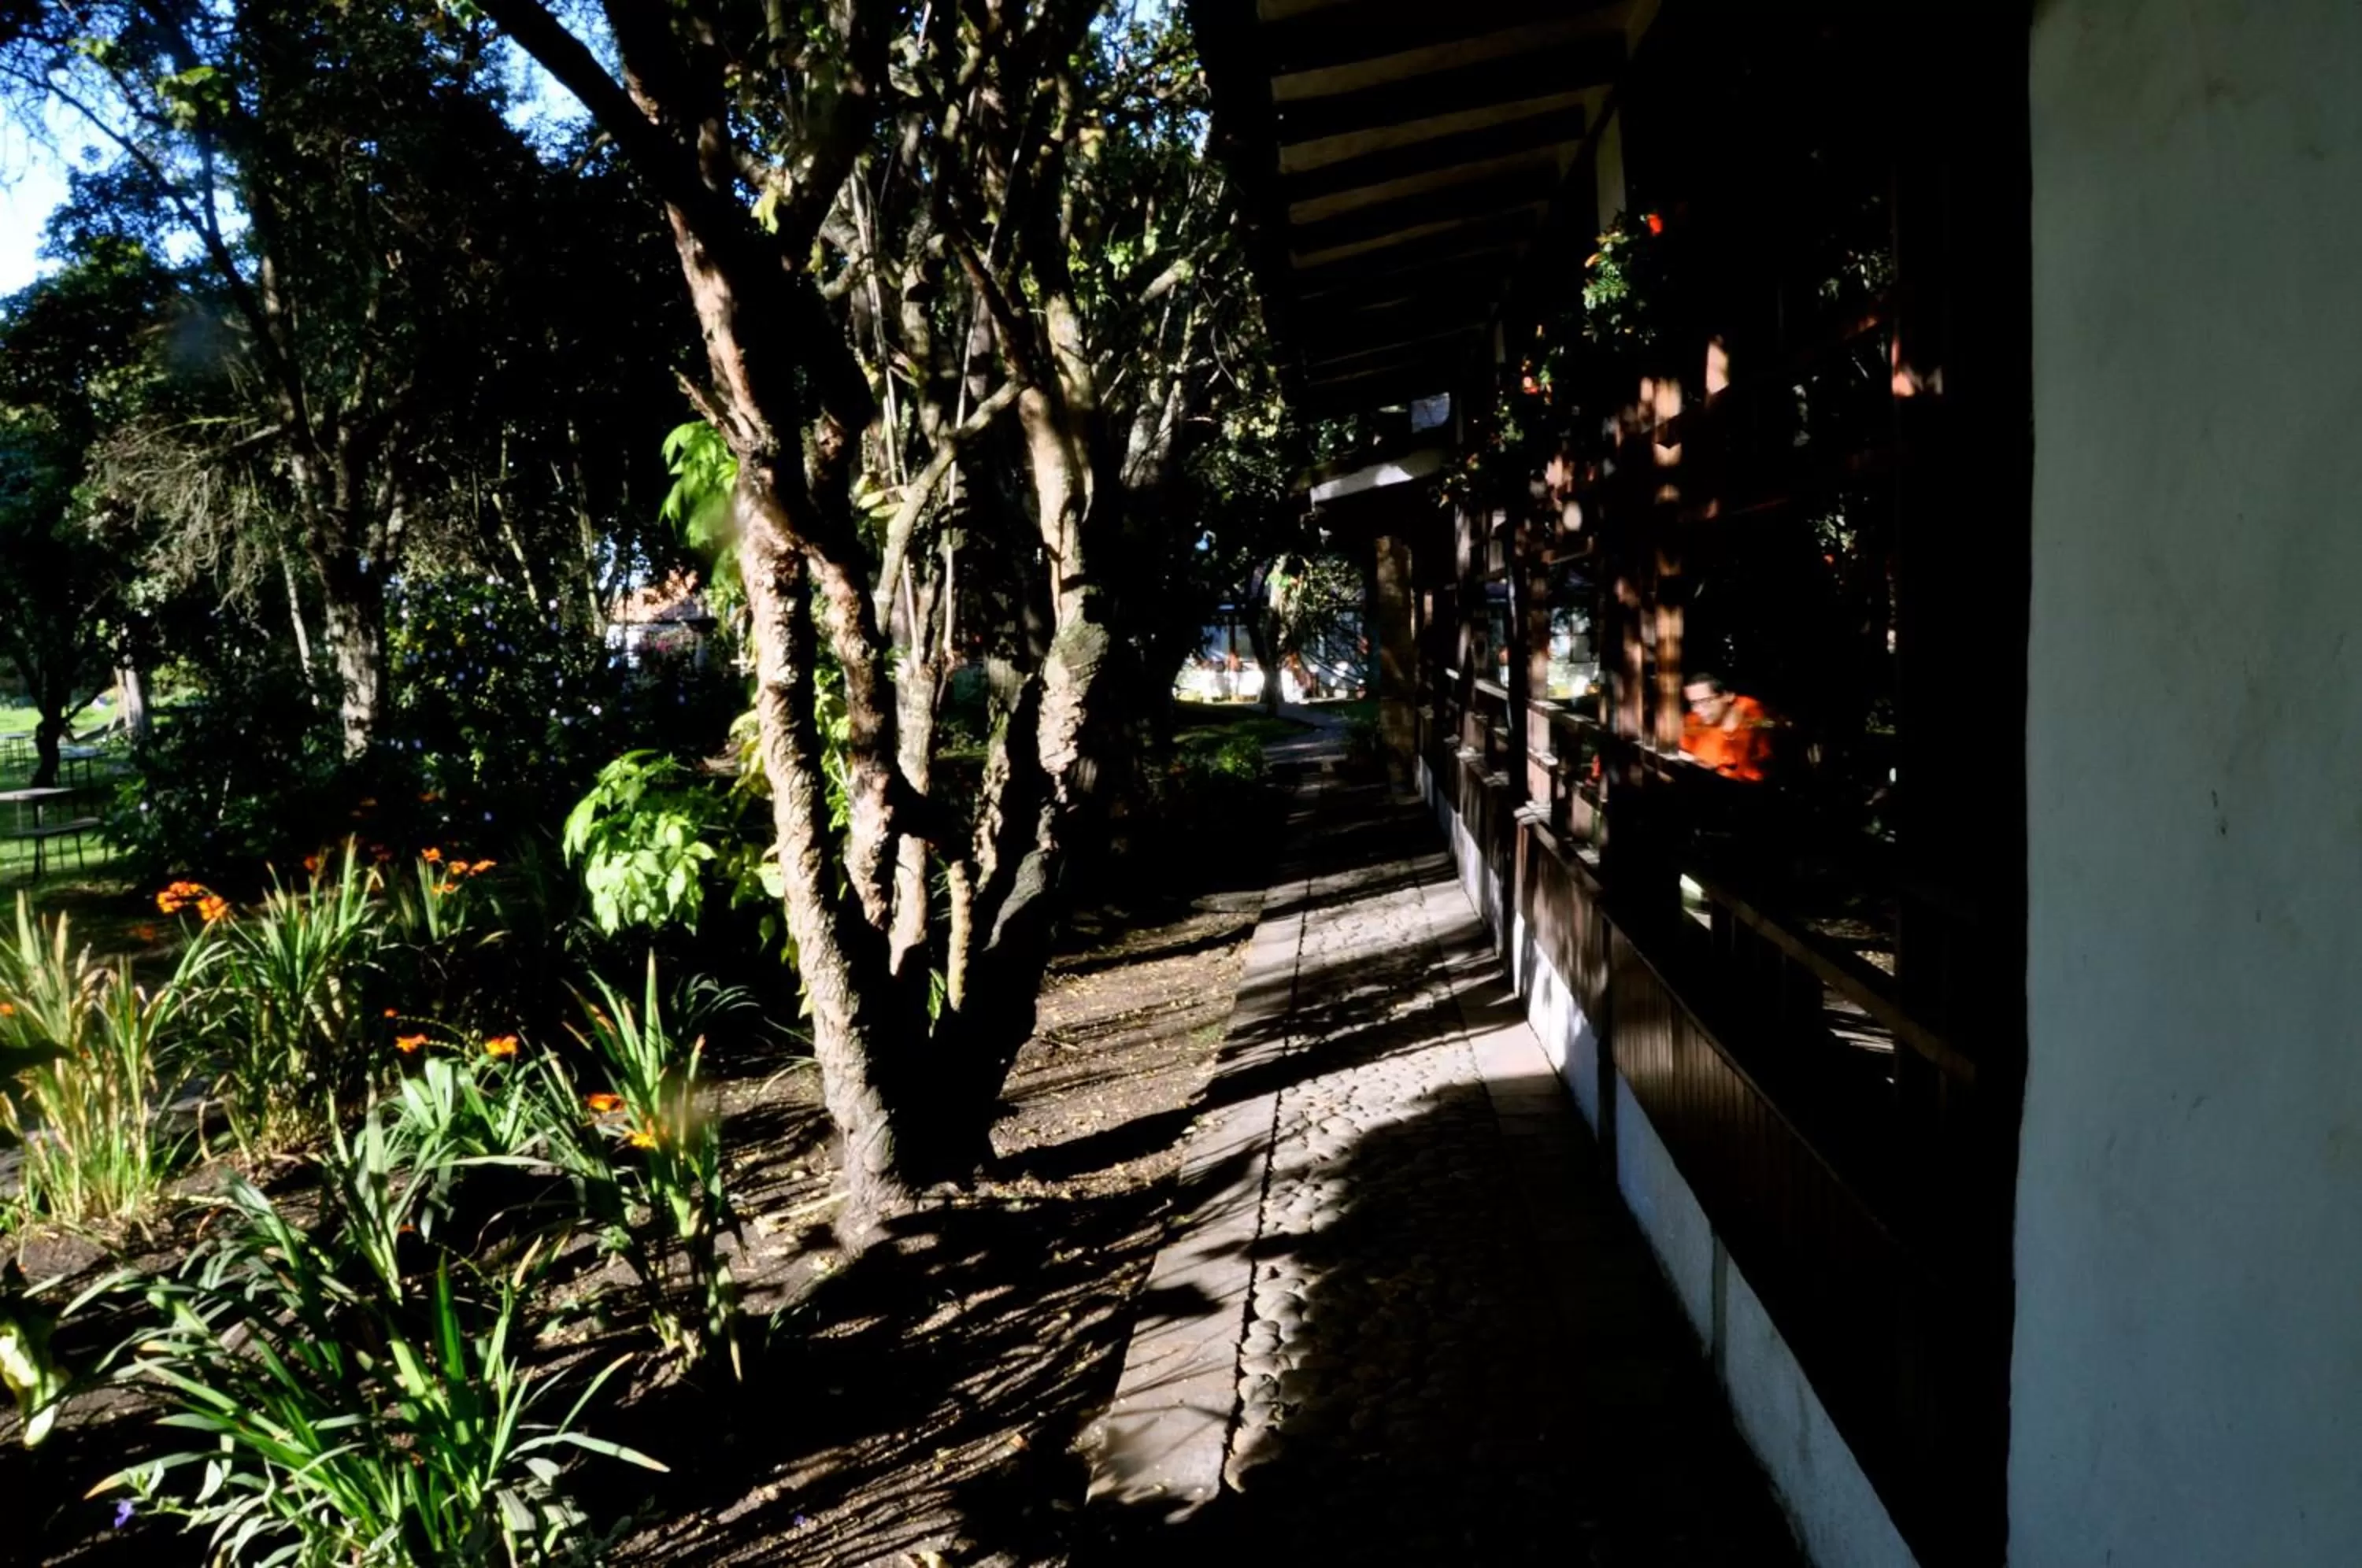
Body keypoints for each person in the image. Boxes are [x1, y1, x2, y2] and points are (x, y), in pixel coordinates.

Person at [1680, 673, 1772, 782]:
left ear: (1727, 696)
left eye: (1705, 701)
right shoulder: (1694, 720)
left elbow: (1769, 725)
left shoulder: (1753, 713)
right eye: (1693, 703)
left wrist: (1737, 729)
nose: (1697, 710)